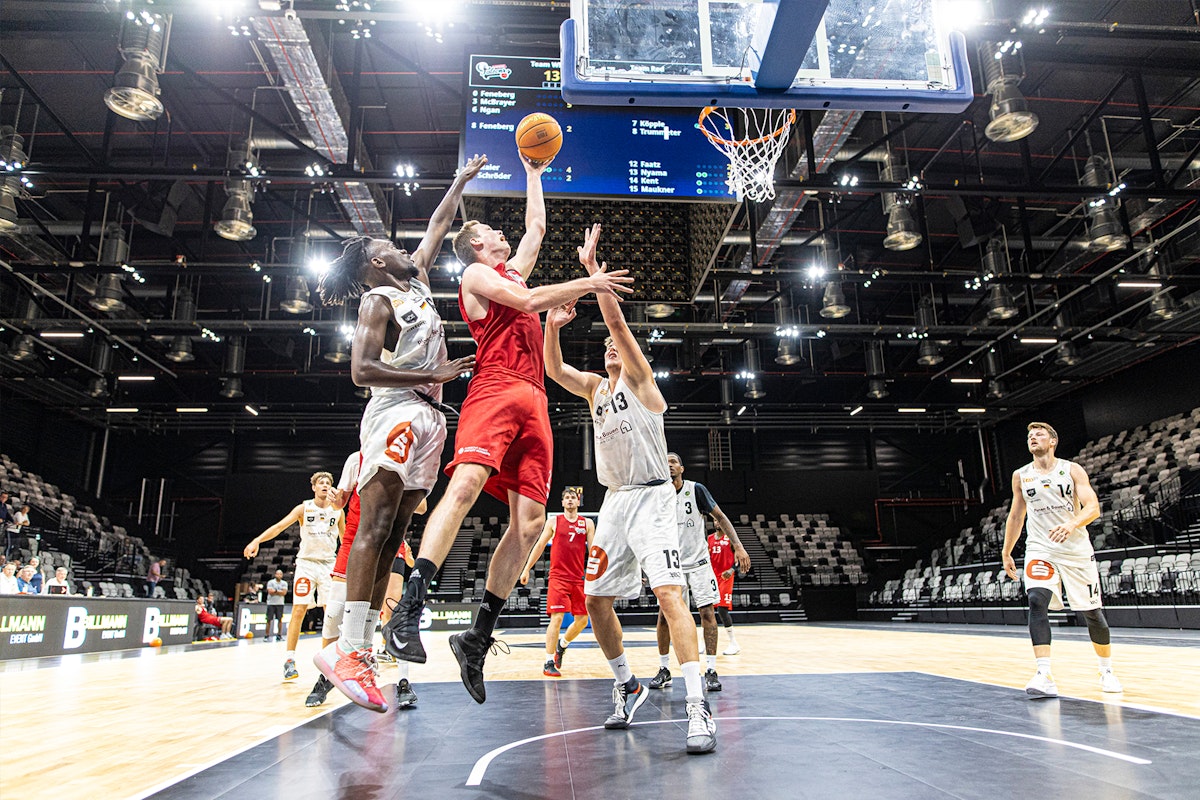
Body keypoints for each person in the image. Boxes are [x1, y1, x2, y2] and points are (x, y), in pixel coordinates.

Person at [382, 156, 634, 707]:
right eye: (492, 231)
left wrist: (534, 170)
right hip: (495, 388)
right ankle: (411, 606)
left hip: (535, 399)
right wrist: (589, 282)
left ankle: (476, 636)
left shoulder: (513, 267)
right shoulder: (477, 276)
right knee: (467, 483)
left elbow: (537, 228)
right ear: (474, 244)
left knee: (530, 523)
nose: (503, 233)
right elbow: (524, 302)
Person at [310, 159, 483, 713]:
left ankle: (354, 646)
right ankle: (351, 649)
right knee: (377, 526)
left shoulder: (419, 284)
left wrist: (457, 182)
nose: (408, 247)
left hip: (431, 414)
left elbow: (436, 227)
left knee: (395, 537)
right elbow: (361, 371)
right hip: (396, 412)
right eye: (392, 243)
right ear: (377, 261)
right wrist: (433, 373)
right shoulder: (377, 301)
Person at [544, 223, 716, 754]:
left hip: (653, 498)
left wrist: (594, 277)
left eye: (616, 349)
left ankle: (696, 707)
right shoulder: (595, 388)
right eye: (606, 351)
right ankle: (628, 685)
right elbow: (553, 369)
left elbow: (617, 326)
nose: (610, 351)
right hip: (614, 502)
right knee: (594, 601)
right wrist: (552, 325)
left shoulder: (644, 386)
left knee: (669, 594)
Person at [1002, 421, 1122, 698]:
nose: (1033, 437)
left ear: (1052, 441)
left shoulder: (1071, 470)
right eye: (1029, 435)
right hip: (1040, 548)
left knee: (1091, 613)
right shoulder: (1020, 475)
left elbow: (1092, 508)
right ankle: (1044, 674)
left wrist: (1071, 524)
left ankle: (1107, 670)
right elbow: (1016, 516)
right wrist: (1007, 551)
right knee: (1036, 599)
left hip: (1075, 549)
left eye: (1039, 434)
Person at [649, 453, 750, 693]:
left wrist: (738, 546)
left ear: (681, 468)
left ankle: (712, 670)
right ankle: (664, 669)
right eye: (664, 462)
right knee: (664, 616)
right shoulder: (656, 495)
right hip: (671, 565)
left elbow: (721, 517)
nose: (669, 465)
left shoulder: (696, 490)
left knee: (707, 613)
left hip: (699, 562)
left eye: (673, 461)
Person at [244, 472, 344, 681]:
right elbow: (280, 526)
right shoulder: (303, 508)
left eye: (328, 483)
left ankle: (329, 661)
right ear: (314, 488)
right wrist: (257, 540)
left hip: (328, 565)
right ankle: (289, 660)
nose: (325, 485)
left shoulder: (338, 511)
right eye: (321, 483)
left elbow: (346, 541)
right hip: (306, 564)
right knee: (299, 610)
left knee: (331, 613)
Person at [520, 487, 595, 677]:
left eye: (573, 497)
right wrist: (527, 568)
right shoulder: (553, 521)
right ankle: (547, 662)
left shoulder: (587, 523)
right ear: (562, 503)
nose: (570, 500)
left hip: (578, 578)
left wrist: (599, 574)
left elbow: (593, 551)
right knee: (558, 617)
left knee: (583, 620)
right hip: (558, 578)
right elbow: (539, 545)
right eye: (567, 498)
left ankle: (562, 646)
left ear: (578, 502)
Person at [708, 529, 741, 655]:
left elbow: (739, 557)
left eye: (719, 520)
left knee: (722, 609)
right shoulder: (709, 538)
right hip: (712, 577)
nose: (717, 523)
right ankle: (705, 642)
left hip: (725, 576)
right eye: (715, 521)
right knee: (707, 608)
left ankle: (734, 643)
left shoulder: (730, 538)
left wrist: (732, 570)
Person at [265, 569, 288, 642]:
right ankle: (266, 635)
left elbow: (284, 593)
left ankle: (279, 635)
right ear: (275, 575)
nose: (279, 575)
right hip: (271, 603)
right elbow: (270, 592)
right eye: (278, 574)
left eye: (280, 574)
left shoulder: (284, 583)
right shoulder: (271, 582)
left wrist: (275, 591)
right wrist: (278, 592)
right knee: (269, 620)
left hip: (280, 603)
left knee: (280, 620)